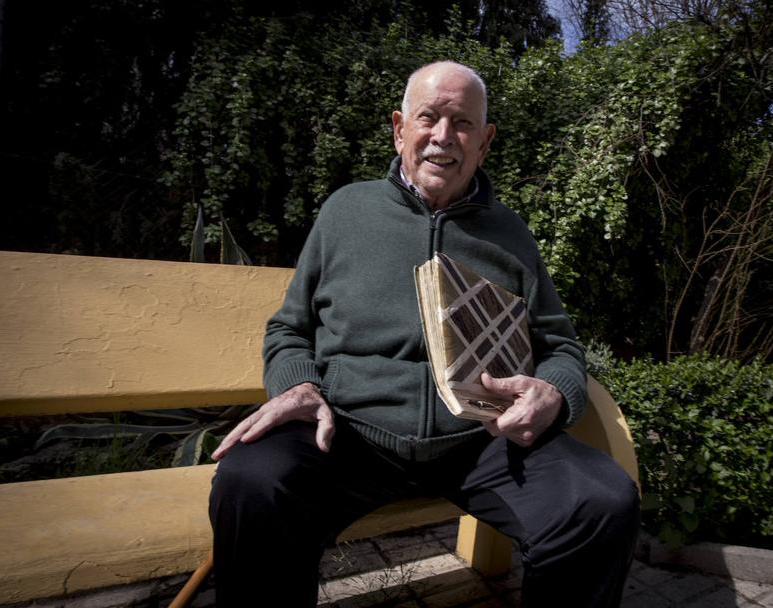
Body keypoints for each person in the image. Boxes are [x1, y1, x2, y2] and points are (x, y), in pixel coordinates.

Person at [208, 60, 640, 607]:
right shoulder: (345, 211)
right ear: (398, 128)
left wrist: (553, 394)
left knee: (601, 500)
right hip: (346, 434)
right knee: (252, 483)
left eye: (461, 123)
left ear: (484, 142)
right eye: (428, 117)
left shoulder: (509, 234)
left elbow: (560, 347)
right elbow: (290, 328)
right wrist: (298, 386)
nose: (442, 136)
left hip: (479, 444)